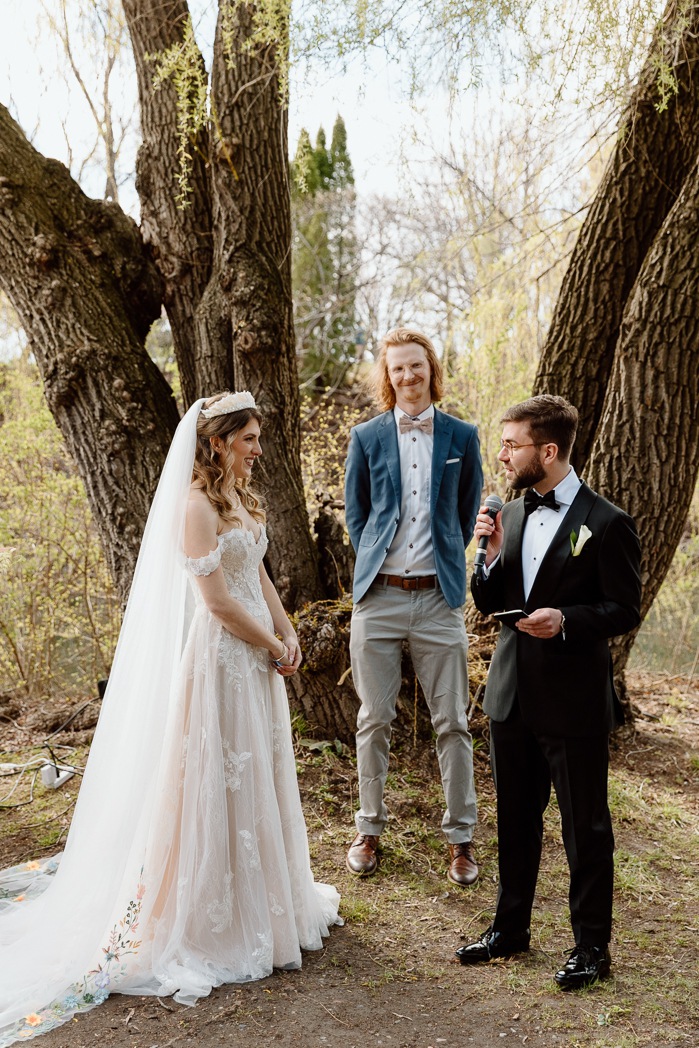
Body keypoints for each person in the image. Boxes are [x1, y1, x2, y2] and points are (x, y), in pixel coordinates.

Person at [0, 392, 340, 1047]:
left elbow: (259, 575)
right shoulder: (194, 508)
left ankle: (267, 905)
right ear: (216, 442)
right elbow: (214, 601)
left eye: (258, 439)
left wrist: (287, 628)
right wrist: (270, 646)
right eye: (247, 439)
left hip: (259, 659)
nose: (257, 449)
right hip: (222, 662)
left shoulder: (244, 498)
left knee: (259, 773)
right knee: (217, 780)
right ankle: (212, 918)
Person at [456, 394, 641, 989]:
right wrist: (484, 557)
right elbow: (488, 603)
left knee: (585, 826)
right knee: (515, 818)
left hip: (574, 700)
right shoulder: (507, 516)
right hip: (512, 694)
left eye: (513, 445)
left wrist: (567, 621)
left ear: (550, 450)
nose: (504, 455)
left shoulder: (608, 523)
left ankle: (592, 947)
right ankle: (510, 929)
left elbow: (623, 608)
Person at [344, 328, 483, 885]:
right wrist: (379, 562)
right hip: (378, 600)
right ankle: (369, 829)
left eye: (416, 367)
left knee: (452, 721)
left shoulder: (461, 436)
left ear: (431, 370)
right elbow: (359, 516)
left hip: (438, 600)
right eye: (397, 369)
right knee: (374, 718)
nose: (407, 377)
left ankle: (462, 840)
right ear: (388, 375)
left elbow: (467, 508)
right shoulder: (367, 437)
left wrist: (444, 561)